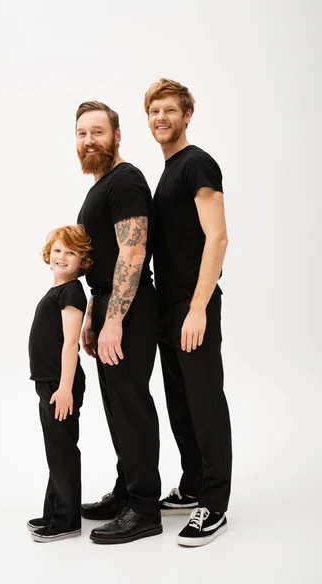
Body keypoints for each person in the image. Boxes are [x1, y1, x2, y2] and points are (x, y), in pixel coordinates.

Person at [144, 78, 233, 547]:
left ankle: (214, 503)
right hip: (168, 306)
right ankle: (194, 482)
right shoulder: (168, 170)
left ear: (187, 115)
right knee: (179, 400)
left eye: (170, 110)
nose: (161, 118)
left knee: (204, 399)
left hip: (191, 304)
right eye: (154, 111)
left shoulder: (197, 163)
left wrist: (198, 307)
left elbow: (217, 237)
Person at [76, 100, 162, 544]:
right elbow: (104, 262)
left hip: (130, 310)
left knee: (131, 404)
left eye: (97, 131)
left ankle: (146, 509)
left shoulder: (126, 180)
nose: (89, 140)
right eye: (82, 133)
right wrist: (95, 311)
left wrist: (114, 319)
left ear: (117, 135)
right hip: (111, 303)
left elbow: (132, 253)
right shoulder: (103, 185)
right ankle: (126, 492)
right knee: (116, 407)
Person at [26, 225, 92, 542]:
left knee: (62, 449)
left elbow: (70, 343)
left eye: (70, 252)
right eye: (57, 250)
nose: (61, 256)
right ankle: (54, 511)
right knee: (56, 448)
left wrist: (65, 388)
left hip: (59, 384)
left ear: (82, 260)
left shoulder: (71, 293)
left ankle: (67, 518)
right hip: (49, 382)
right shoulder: (58, 291)